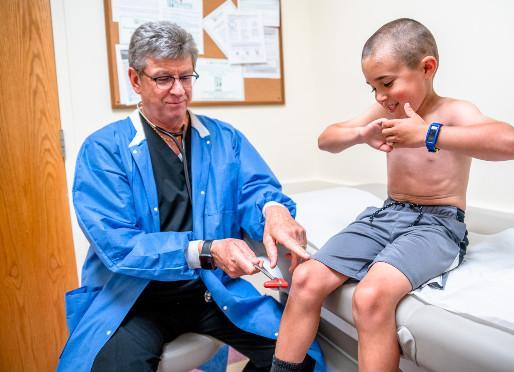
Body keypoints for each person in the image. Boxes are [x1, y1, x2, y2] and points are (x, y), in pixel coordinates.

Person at [57, 21, 322, 372]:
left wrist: (274, 211)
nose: (178, 90)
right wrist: (207, 250)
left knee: (297, 355)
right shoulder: (104, 150)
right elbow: (119, 244)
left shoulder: (224, 139)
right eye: (164, 78)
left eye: (186, 77)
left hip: (209, 292)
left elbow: (257, 190)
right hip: (136, 299)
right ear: (135, 80)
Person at [271, 18, 514, 371]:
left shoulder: (452, 112)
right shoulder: (383, 111)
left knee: (371, 296)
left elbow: (511, 144)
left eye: (387, 83)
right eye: (372, 87)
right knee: (305, 279)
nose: (380, 96)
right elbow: (325, 140)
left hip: (438, 224)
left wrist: (429, 135)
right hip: (387, 214)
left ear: (427, 68)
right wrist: (361, 133)